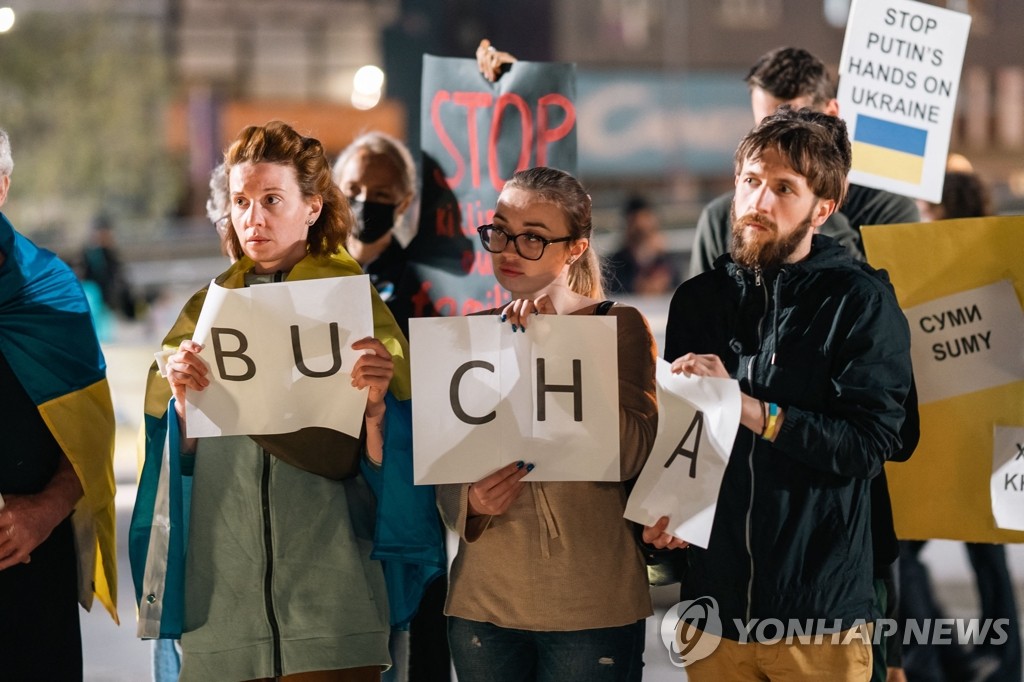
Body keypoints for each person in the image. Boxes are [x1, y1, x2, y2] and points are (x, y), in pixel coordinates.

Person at [132, 120, 417, 682]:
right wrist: (183, 412)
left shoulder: (356, 305)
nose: (252, 219)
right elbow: (172, 470)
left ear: (313, 206)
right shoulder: (201, 313)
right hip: (222, 614)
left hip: (334, 607)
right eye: (240, 201)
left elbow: (398, 465)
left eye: (271, 199)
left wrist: (382, 412)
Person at [645, 107, 915, 680]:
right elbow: (687, 441)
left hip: (820, 623)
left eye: (783, 188)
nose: (758, 202)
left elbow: (868, 445)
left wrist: (749, 408)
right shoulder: (699, 299)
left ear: (824, 207)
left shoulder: (860, 301)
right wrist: (666, 514)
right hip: (712, 618)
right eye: (750, 181)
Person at [437, 166, 659, 682]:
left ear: (574, 248)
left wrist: (555, 341)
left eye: (533, 238)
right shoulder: (470, 335)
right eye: (499, 231)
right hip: (483, 602)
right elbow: (446, 469)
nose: (510, 249)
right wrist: (468, 501)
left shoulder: (616, 325)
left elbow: (631, 453)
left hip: (590, 604)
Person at [0, 125, 119, 679]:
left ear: (2, 186)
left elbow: (89, 437)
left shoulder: (50, 293)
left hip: (29, 563)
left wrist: (43, 514)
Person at [899, 169, 1022, 682]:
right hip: (990, 430)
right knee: (985, 548)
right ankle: (1001, 656)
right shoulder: (1000, 257)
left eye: (928, 210)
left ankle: (934, 656)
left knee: (904, 550)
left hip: (944, 428)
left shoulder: (933, 262)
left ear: (942, 211)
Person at [688, 46, 921, 278]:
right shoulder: (721, 218)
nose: (779, 140)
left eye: (798, 124)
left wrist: (815, 209)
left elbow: (885, 303)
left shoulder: (890, 211)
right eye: (767, 125)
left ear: (831, 114)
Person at [333, 132, 419, 336]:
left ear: (404, 203)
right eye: (353, 189)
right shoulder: (311, 265)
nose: (364, 200)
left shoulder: (414, 283)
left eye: (381, 194)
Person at [605, 195, 681, 295]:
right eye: (637, 228)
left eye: (646, 227)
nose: (641, 228)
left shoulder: (668, 263)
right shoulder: (613, 265)